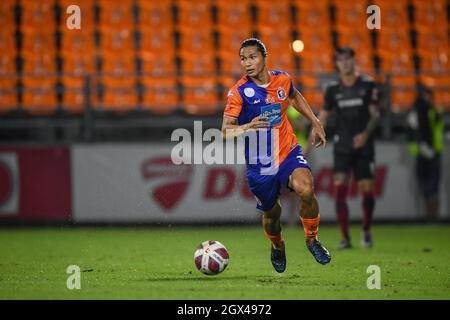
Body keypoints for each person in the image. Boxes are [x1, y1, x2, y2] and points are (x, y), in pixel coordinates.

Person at [221, 38, 331, 273]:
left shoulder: (282, 79)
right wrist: (247, 126)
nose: (247, 63)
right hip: (260, 164)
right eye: (243, 59)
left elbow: (294, 96)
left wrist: (315, 120)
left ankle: (312, 239)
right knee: (273, 214)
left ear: (264, 57)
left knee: (306, 188)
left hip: (287, 151)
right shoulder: (238, 92)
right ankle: (277, 245)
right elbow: (225, 131)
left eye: (252, 57)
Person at [315, 47, 380, 249]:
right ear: (337, 64)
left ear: (354, 60)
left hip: (364, 146)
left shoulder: (368, 84)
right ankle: (345, 238)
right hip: (342, 146)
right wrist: (315, 134)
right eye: (341, 60)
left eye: (348, 59)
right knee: (340, 190)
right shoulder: (333, 89)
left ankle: (366, 230)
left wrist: (365, 135)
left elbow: (375, 115)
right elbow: (323, 116)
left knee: (367, 191)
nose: (345, 63)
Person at [408, 83, 444, 220]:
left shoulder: (432, 111)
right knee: (425, 187)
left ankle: (433, 217)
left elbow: (435, 129)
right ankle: (429, 217)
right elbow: (412, 133)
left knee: (432, 187)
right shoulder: (418, 112)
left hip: (433, 152)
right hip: (423, 153)